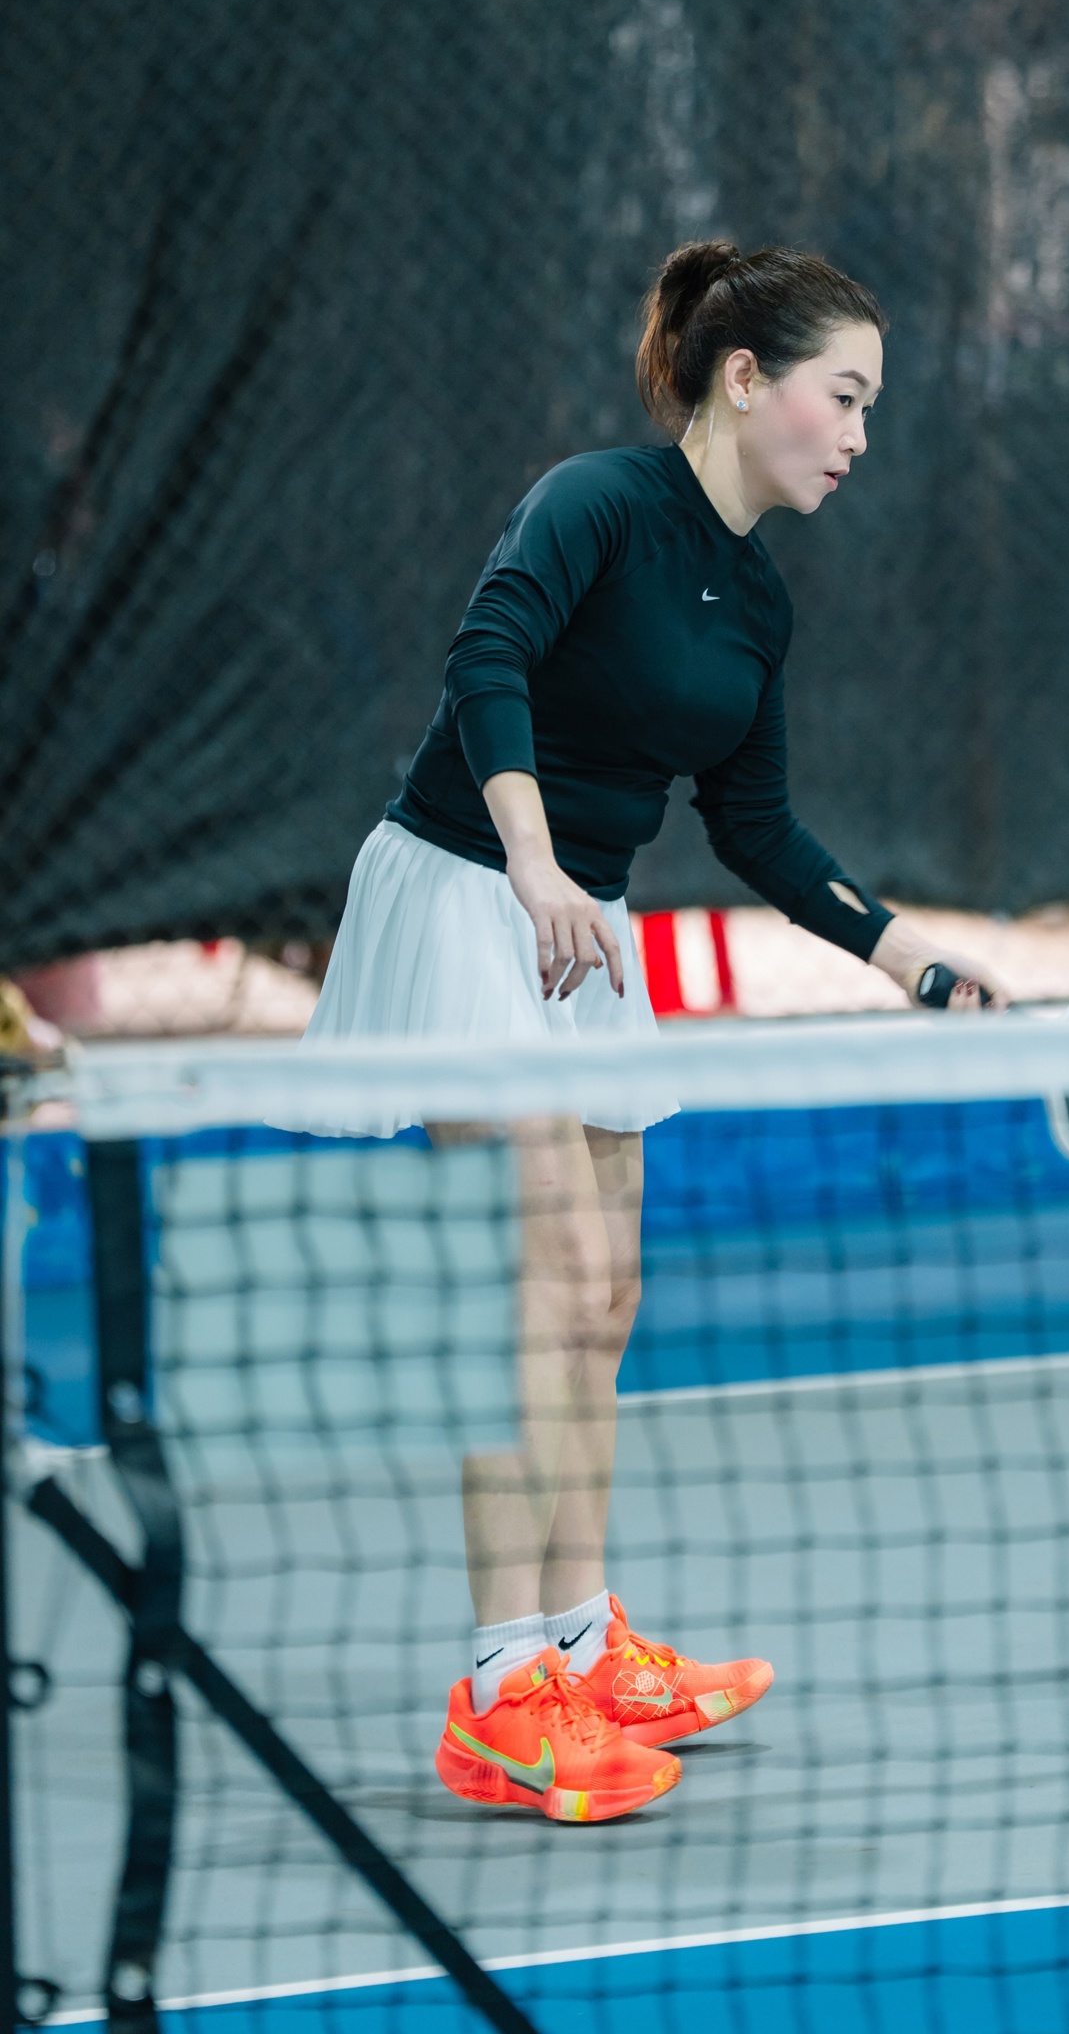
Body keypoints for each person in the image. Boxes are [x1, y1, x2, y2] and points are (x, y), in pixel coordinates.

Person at [304, 240, 1006, 1823]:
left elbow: (756, 825)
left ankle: (583, 1642)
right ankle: (501, 1694)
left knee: (607, 1294)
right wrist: (536, 859)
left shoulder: (756, 601)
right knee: (539, 1279)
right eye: (844, 396)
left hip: (581, 926)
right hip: (471, 890)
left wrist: (907, 957)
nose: (862, 435)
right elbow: (486, 655)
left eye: (871, 407)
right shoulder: (596, 504)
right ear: (745, 381)